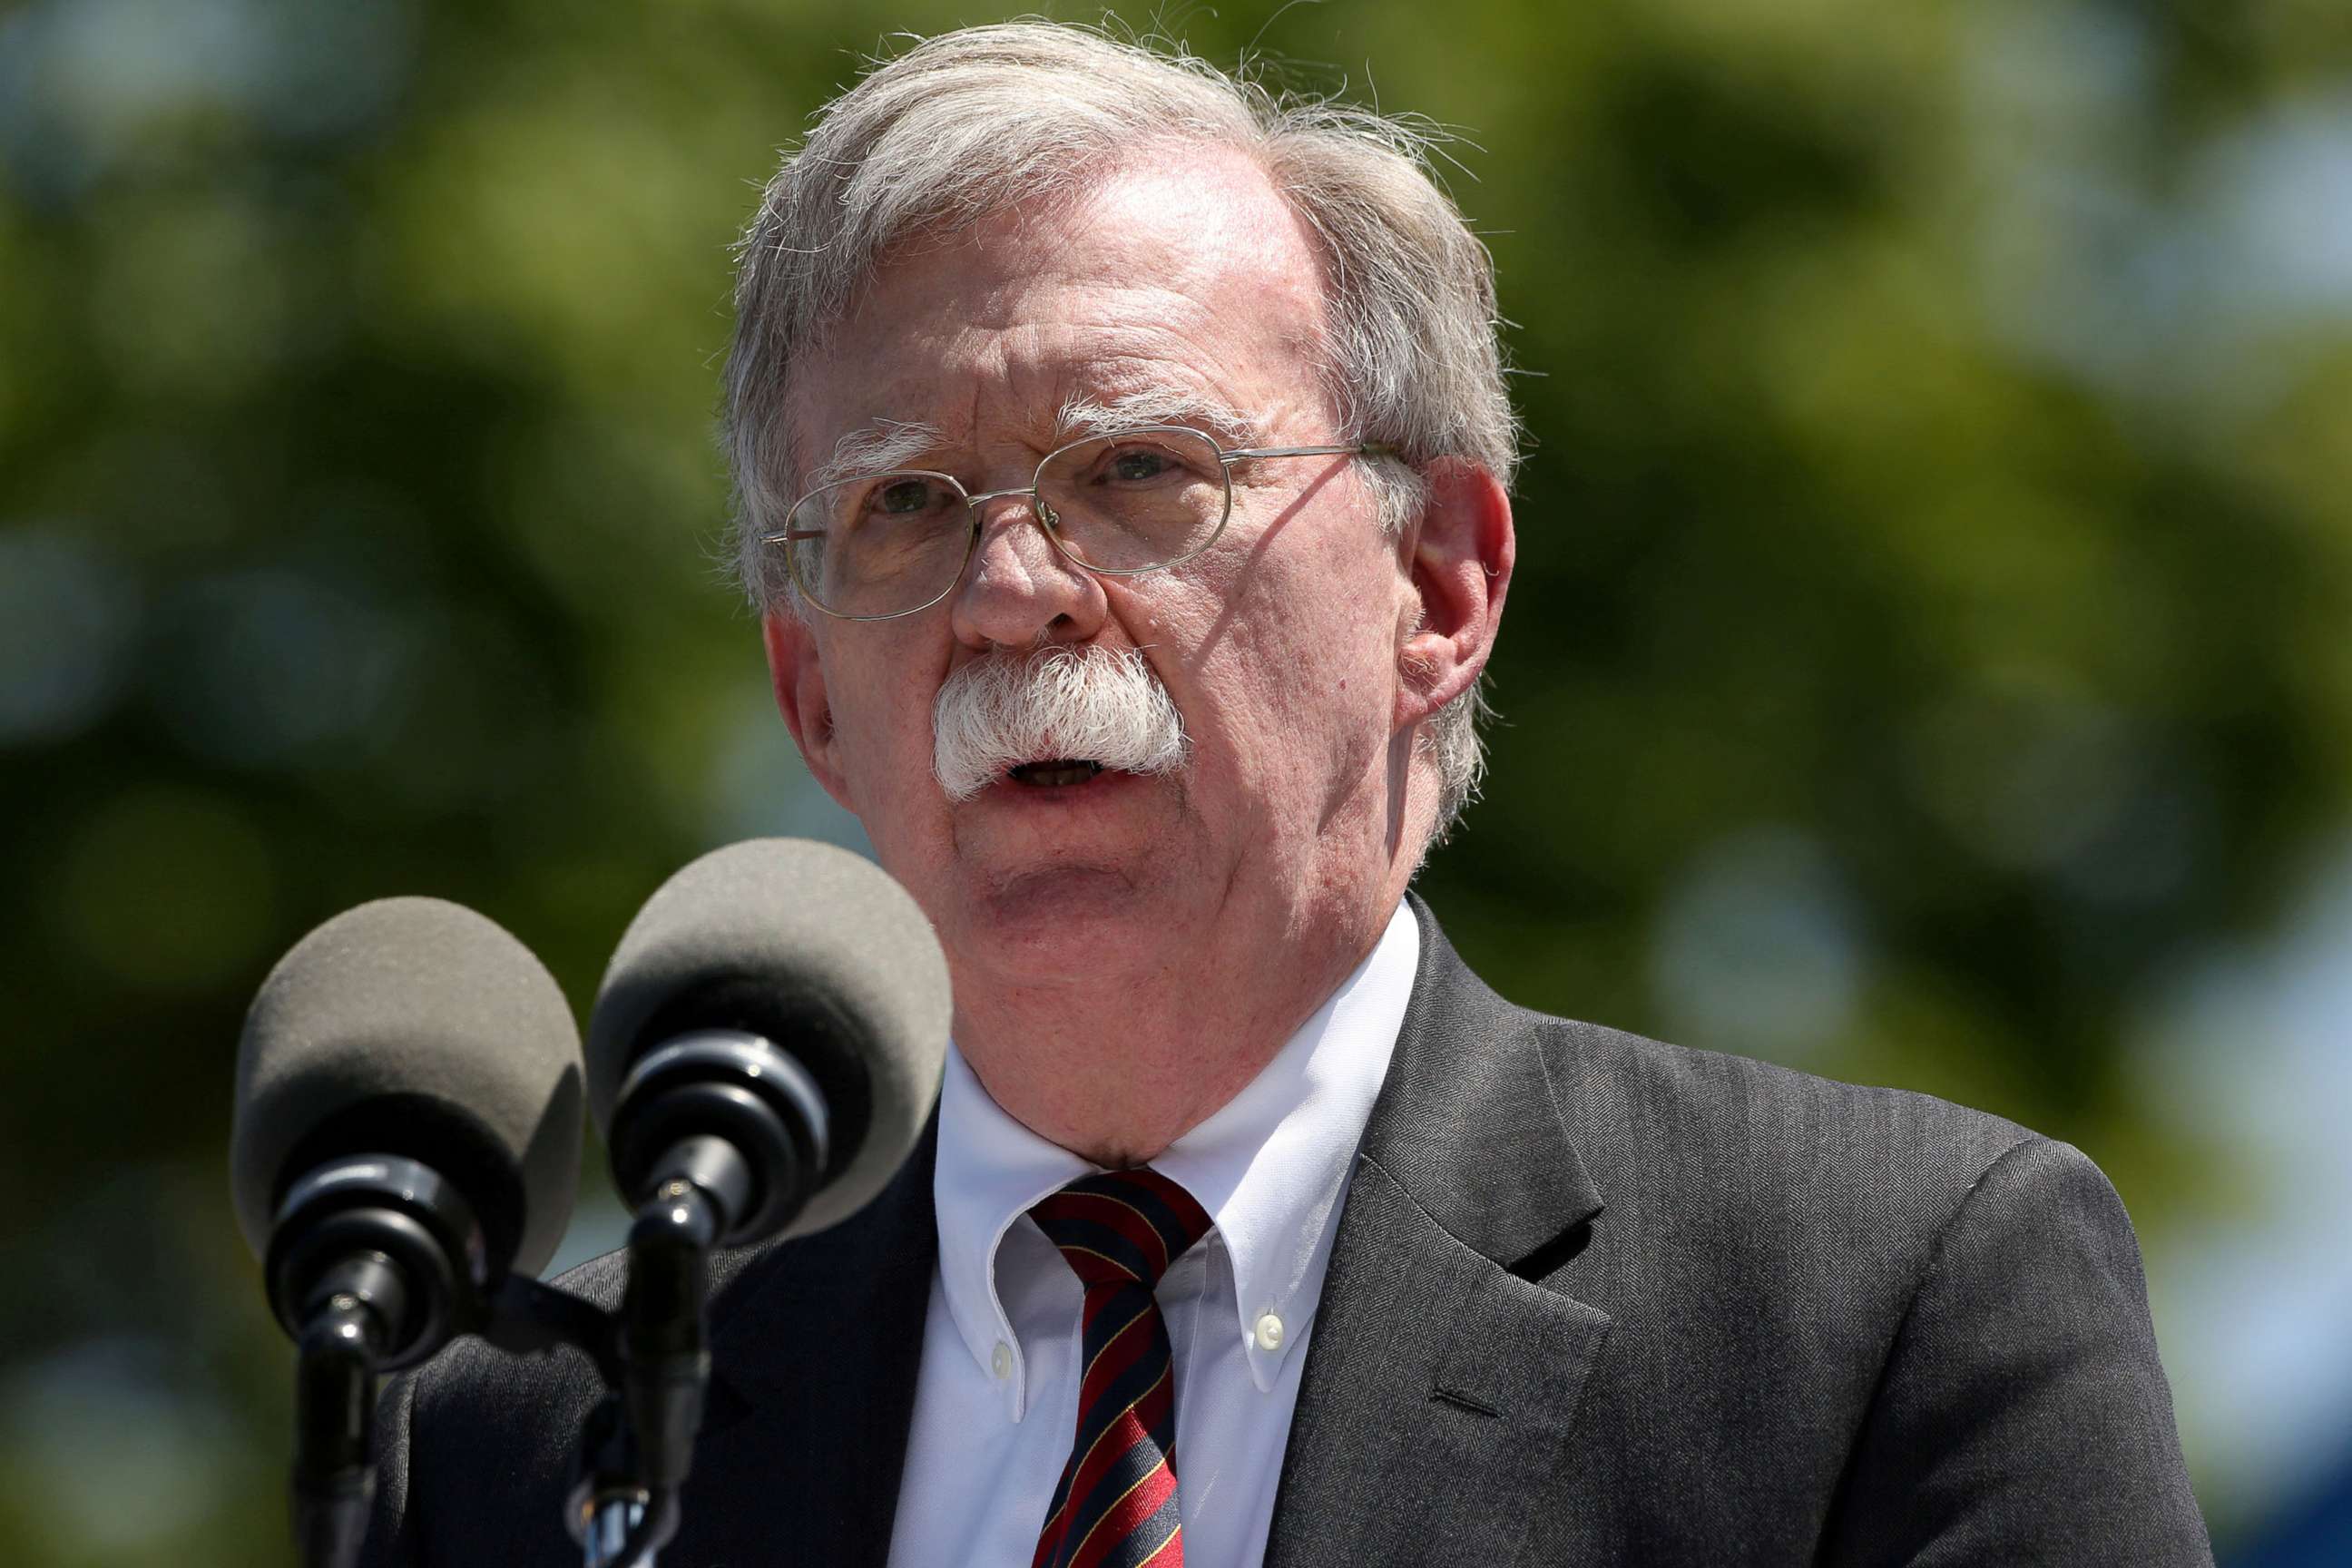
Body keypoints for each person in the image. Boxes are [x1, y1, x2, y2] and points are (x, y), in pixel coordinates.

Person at [365, 23, 2211, 1566]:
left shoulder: (1883, 1304)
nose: (1012, 592)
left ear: (1442, 588)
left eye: (1142, 467)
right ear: (809, 699)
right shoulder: (517, 1447)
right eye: (904, 505)